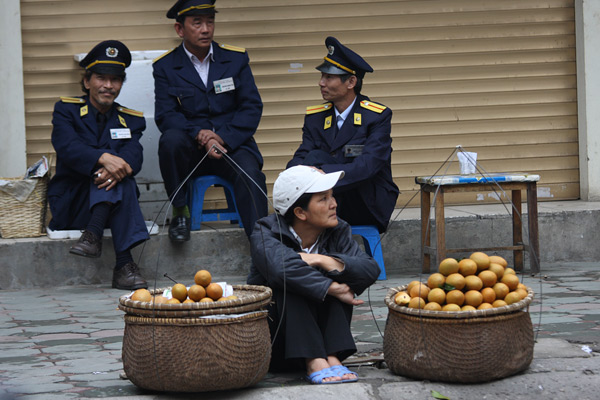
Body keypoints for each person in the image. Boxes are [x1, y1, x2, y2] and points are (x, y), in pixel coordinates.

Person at [247, 165, 380, 384]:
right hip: (278, 341)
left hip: (324, 336)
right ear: (300, 212)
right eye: (323, 199)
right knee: (293, 281)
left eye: (332, 196)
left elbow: (369, 269)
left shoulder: (338, 230)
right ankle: (313, 360)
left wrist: (322, 259)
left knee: (338, 272)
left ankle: (332, 356)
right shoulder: (264, 231)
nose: (333, 204)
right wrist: (333, 288)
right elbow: (281, 269)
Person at [153, 0, 268, 242]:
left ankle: (262, 244)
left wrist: (221, 136)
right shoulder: (166, 66)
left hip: (231, 145)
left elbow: (251, 106)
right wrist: (201, 135)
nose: (205, 29)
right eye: (197, 23)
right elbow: (166, 114)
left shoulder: (234, 60)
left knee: (251, 174)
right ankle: (181, 213)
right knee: (170, 140)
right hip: (192, 149)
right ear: (180, 30)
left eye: (210, 22)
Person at [48, 40, 149, 290]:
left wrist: (117, 167)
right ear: (87, 81)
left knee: (121, 176)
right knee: (117, 177)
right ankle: (124, 264)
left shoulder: (131, 120)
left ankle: (92, 237)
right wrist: (104, 158)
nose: (108, 85)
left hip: (110, 212)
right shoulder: (66, 111)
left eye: (115, 80)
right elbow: (67, 147)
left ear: (121, 83)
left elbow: (135, 154)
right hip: (74, 204)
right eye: (101, 78)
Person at [287, 36, 399, 233]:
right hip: (327, 200)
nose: (321, 83)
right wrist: (294, 174)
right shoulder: (316, 117)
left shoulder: (376, 117)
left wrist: (321, 175)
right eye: (322, 76)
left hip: (365, 202)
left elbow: (366, 167)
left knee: (315, 161)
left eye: (328, 77)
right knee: (308, 162)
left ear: (351, 82)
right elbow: (300, 157)